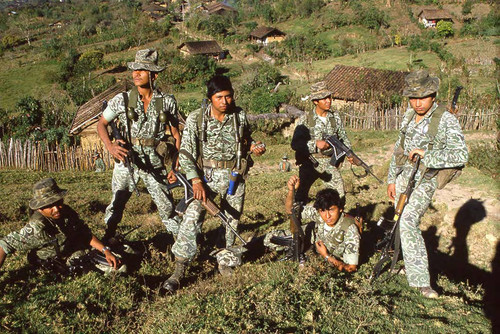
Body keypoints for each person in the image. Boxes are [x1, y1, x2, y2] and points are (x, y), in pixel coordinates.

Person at [162, 75, 266, 292]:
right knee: (191, 219)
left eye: (228, 97)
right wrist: (196, 181)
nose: (225, 102)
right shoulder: (196, 118)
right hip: (204, 178)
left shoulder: (239, 116)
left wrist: (255, 145)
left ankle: (224, 260)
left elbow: (246, 139)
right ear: (210, 98)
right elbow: (187, 152)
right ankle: (179, 269)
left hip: (234, 176)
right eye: (219, 97)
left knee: (231, 221)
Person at [387, 70, 468, 298]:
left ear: (433, 95)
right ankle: (405, 262)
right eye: (413, 97)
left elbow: (461, 155)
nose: (417, 102)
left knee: (409, 221)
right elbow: (398, 148)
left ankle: (422, 282)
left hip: (426, 179)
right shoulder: (408, 115)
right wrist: (392, 179)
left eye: (422, 97)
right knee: (399, 218)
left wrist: (427, 154)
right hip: (404, 177)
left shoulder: (445, 119)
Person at [97, 49, 182, 243]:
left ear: (154, 75)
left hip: (154, 161)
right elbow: (101, 124)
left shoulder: (167, 102)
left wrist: (174, 166)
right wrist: (110, 146)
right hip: (126, 159)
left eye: (142, 70)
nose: (136, 74)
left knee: (166, 206)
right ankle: (107, 238)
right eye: (135, 70)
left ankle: (181, 245)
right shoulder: (122, 100)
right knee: (116, 203)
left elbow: (176, 134)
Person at [0, 178, 122, 275]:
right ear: (40, 208)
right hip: (51, 262)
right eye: (50, 206)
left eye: (58, 203)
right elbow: (5, 244)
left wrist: (105, 250)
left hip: (73, 251)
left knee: (120, 259)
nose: (56, 209)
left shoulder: (67, 212)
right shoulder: (36, 228)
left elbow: (85, 233)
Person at [264, 175, 360, 272]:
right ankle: (252, 245)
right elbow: (291, 210)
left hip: (323, 251)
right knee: (270, 238)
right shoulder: (318, 213)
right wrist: (291, 191)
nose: (327, 216)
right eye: (322, 211)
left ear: (340, 209)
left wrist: (326, 256)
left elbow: (351, 268)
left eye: (331, 210)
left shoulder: (349, 230)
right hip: (312, 236)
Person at [291, 81, 353, 204]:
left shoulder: (335, 117)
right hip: (310, 163)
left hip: (330, 163)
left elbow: (343, 138)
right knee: (300, 198)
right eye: (323, 98)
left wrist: (350, 153)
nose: (328, 101)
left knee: (339, 196)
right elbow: (295, 144)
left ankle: (334, 221)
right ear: (315, 101)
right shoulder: (306, 119)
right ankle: (296, 221)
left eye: (329, 97)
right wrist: (315, 144)